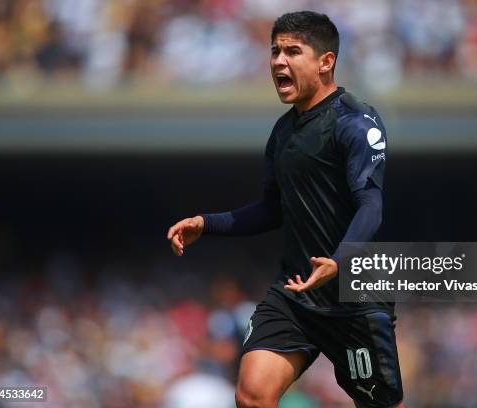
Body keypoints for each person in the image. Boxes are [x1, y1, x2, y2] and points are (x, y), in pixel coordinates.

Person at [167, 11, 404, 408]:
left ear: (326, 62)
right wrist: (205, 223)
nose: (279, 60)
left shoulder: (355, 122)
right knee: (252, 394)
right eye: (275, 51)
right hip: (295, 292)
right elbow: (270, 210)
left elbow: (371, 203)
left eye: (293, 51)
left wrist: (340, 260)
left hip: (353, 296)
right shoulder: (283, 132)